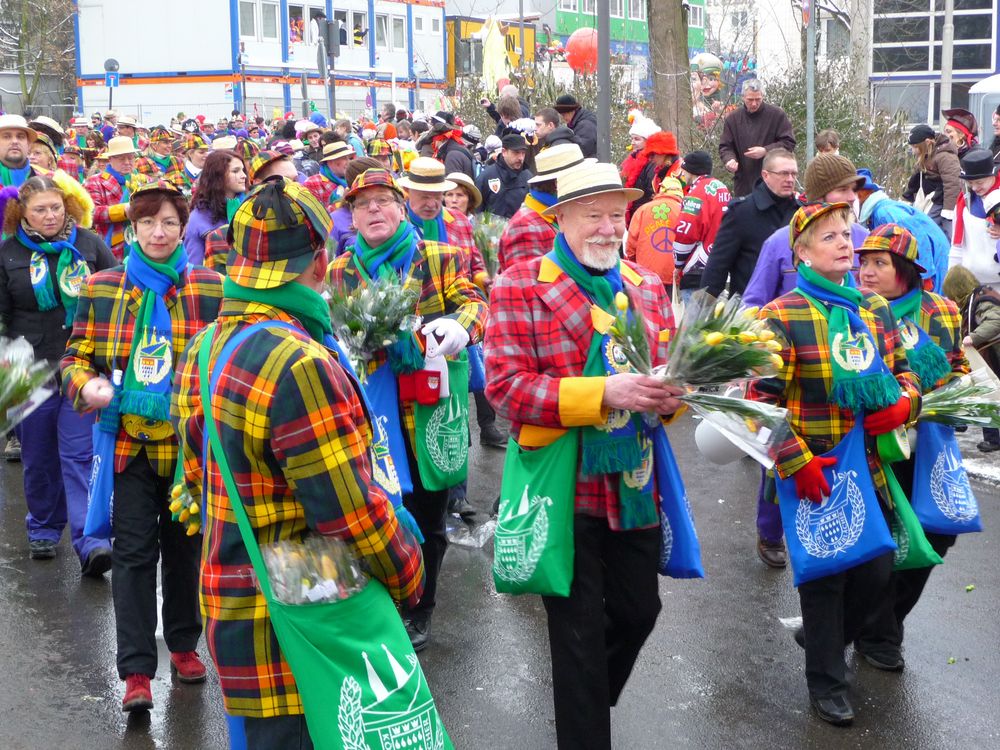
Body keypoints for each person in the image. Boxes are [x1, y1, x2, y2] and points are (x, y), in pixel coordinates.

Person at [172, 177, 424, 748]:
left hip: (233, 604)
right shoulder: (300, 360)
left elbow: (195, 475)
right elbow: (349, 512)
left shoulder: (205, 345)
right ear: (318, 259)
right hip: (303, 619)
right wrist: (410, 572)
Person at [485, 162, 687, 749]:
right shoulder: (519, 285)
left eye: (616, 215)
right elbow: (504, 389)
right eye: (592, 214)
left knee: (637, 614)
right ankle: (583, 723)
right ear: (562, 218)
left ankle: (587, 696)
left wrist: (677, 395)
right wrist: (601, 394)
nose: (606, 227)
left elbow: (667, 381)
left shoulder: (646, 288)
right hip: (561, 487)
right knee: (574, 643)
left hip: (632, 483)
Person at [748, 202, 920, 726]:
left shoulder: (875, 310)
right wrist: (795, 460)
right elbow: (758, 402)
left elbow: (908, 374)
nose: (846, 243)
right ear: (800, 253)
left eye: (847, 233)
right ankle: (826, 682)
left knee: (874, 572)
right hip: (813, 470)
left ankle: (823, 639)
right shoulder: (781, 315)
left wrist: (902, 404)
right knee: (825, 579)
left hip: (868, 467)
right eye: (830, 238)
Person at [61, 180, 224, 712]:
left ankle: (182, 645)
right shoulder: (102, 286)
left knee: (185, 550)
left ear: (182, 229)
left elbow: (223, 357)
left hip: (189, 448)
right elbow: (74, 358)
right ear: (132, 230)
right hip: (127, 444)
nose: (159, 232)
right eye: (148, 223)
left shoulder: (209, 287)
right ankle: (134, 671)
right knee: (132, 554)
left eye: (170, 223)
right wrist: (86, 385)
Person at [329, 167, 488, 653]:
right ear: (352, 217)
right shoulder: (340, 270)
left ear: (402, 208)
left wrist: (459, 328)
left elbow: (477, 302)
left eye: (382, 201)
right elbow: (327, 322)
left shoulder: (438, 257)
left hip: (429, 409)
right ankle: (384, 601)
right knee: (376, 511)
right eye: (362, 204)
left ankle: (422, 604)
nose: (373, 210)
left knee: (429, 515)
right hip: (367, 413)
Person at [853, 223, 969, 671]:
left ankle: (872, 620)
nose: (866, 271)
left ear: (904, 271)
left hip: (929, 441)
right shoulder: (855, 309)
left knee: (938, 534)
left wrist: (957, 395)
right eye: (863, 262)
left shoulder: (941, 310)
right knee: (883, 538)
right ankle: (878, 634)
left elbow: (956, 364)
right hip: (873, 443)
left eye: (879, 263)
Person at [0, 175, 115, 569]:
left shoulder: (89, 244)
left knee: (80, 454)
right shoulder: (8, 253)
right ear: (22, 213)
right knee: (37, 456)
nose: (50, 216)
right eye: (40, 210)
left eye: (56, 207)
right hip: (25, 371)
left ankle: (90, 540)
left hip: (81, 365)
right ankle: (44, 529)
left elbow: (115, 297)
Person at [700, 148, 800, 297]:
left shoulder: (801, 212)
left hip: (793, 308)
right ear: (765, 175)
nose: (790, 179)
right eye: (784, 173)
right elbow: (717, 267)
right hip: (751, 311)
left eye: (794, 174)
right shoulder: (741, 212)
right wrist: (701, 313)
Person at [498, 143, 586, 273]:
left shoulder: (557, 212)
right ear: (557, 183)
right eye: (578, 178)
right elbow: (525, 288)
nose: (583, 185)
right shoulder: (525, 227)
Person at [857, 170, 950, 292]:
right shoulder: (880, 211)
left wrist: (924, 280)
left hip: (933, 269)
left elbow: (918, 239)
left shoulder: (884, 212)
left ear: (862, 194)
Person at [624, 133, 685, 293]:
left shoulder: (680, 173)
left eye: (653, 155)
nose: (650, 158)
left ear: (664, 153)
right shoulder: (660, 173)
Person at [718, 79, 796, 197]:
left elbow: (788, 142)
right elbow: (725, 146)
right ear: (743, 97)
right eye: (750, 100)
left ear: (763, 96)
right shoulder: (733, 119)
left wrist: (766, 151)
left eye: (758, 99)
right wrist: (730, 160)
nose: (754, 103)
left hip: (772, 183)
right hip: (744, 182)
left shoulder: (777, 115)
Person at [672, 150, 731, 302]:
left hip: (696, 271)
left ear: (691, 170)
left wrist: (678, 264)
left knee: (695, 325)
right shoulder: (722, 188)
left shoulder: (697, 193)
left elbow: (686, 233)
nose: (682, 175)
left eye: (683, 170)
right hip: (720, 265)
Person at [85, 135, 151, 259]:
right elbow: (91, 213)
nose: (127, 162)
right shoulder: (95, 181)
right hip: (111, 249)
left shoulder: (144, 180)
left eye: (130, 158)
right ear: (110, 159)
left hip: (142, 246)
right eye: (121, 158)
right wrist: (123, 210)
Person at [184, 150, 247, 266]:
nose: (244, 176)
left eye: (242, 170)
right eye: (235, 171)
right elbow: (194, 267)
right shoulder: (198, 219)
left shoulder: (249, 207)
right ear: (218, 176)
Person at [949, 148, 1000, 284]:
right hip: (974, 283)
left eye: (979, 182)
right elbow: (957, 246)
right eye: (971, 183)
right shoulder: (964, 203)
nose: (975, 188)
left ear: (993, 176)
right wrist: (952, 278)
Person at [902, 124, 960, 235]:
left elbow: (953, 183)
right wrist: (908, 195)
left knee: (941, 230)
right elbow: (917, 177)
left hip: (941, 201)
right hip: (929, 199)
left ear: (927, 143)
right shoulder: (926, 154)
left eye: (915, 146)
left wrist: (948, 210)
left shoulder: (945, 156)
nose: (913, 151)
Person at [475, 133, 532, 218]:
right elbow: (477, 212)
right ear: (504, 152)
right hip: (494, 229)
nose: (520, 158)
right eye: (516, 152)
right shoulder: (486, 177)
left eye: (523, 153)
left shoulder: (528, 177)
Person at [620, 116, 661, 222]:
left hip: (644, 213)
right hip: (635, 211)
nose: (633, 142)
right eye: (632, 139)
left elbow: (652, 190)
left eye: (637, 139)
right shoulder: (633, 159)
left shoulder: (652, 161)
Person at [303, 140, 354, 208]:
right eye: (344, 158)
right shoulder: (312, 183)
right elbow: (316, 215)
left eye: (349, 158)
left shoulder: (353, 178)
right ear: (330, 161)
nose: (348, 162)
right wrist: (342, 202)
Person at [0, 114, 37, 188]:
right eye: (6, 137)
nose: (14, 141)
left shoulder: (43, 178)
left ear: (28, 144)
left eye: (20, 137)